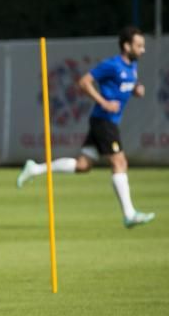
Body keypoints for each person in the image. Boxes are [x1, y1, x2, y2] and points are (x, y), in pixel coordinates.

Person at [16, 26, 154, 228]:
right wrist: (104, 102)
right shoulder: (112, 65)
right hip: (104, 121)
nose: (143, 50)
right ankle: (129, 214)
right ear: (126, 46)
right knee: (119, 162)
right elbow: (83, 82)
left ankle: (35, 169)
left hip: (106, 121)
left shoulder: (132, 67)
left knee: (83, 165)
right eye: (139, 45)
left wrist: (136, 89)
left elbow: (125, 85)